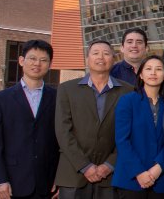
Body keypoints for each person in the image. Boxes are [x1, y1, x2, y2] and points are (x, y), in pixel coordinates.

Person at [56, 39, 135, 199]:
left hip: (111, 176)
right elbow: (63, 131)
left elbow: (131, 133)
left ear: (114, 59)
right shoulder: (67, 89)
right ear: (87, 58)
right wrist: (85, 166)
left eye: (106, 54)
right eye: (95, 53)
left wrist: (109, 165)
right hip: (73, 174)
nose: (101, 57)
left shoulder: (128, 91)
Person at [0, 40, 60, 199]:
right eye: (32, 58)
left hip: (48, 183)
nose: (37, 64)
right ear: (21, 61)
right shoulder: (0, 100)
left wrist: (61, 178)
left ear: (50, 64)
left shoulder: (59, 98)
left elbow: (62, 141)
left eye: (43, 60)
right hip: (12, 182)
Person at [114, 55, 164, 198]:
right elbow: (122, 140)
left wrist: (159, 167)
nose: (153, 73)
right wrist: (139, 171)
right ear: (141, 75)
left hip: (160, 179)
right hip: (131, 179)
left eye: (158, 69)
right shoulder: (127, 101)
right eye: (148, 69)